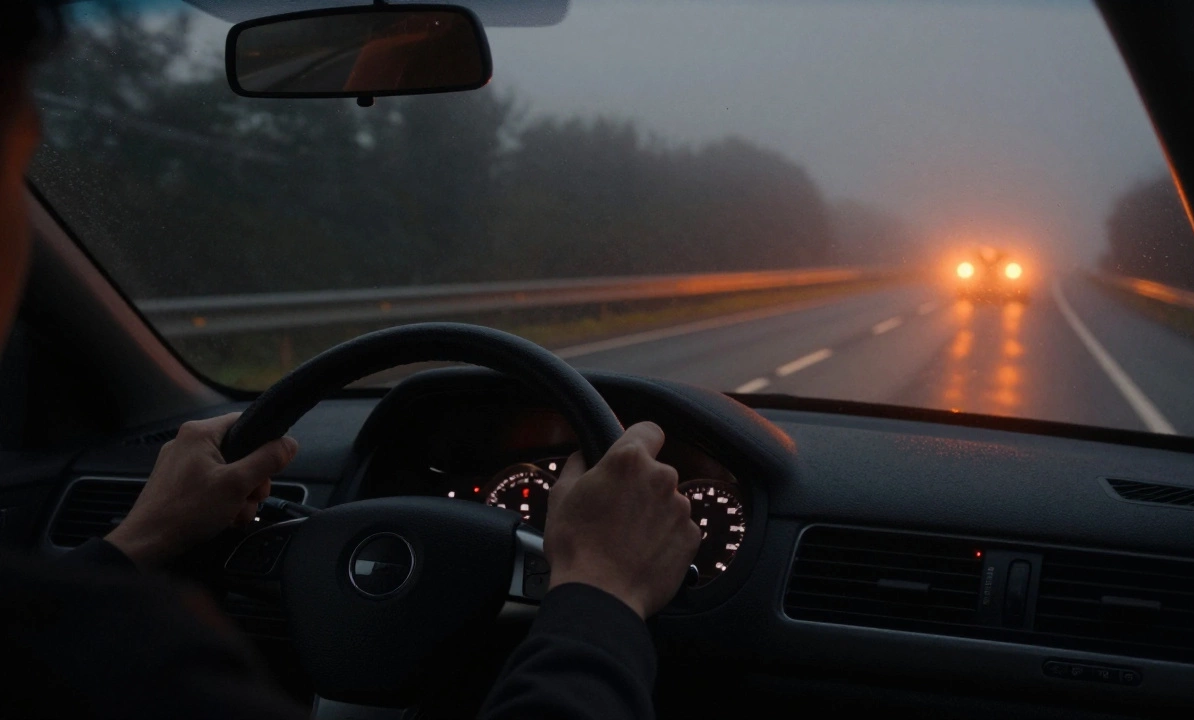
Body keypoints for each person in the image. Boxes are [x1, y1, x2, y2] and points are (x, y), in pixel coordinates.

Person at [0, 1, 701, 717]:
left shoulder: (71, 643)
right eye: (24, 162)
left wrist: (142, 538)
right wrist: (601, 590)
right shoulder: (137, 659)